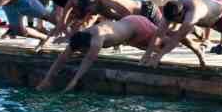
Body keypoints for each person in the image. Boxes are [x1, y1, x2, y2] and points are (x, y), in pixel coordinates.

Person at [39, 13, 204, 93]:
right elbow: (62, 58)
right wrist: (46, 79)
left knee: (166, 43)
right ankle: (184, 32)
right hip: (128, 30)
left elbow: (86, 64)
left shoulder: (97, 40)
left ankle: (189, 32)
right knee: (161, 44)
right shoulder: (81, 37)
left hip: (139, 26)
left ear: (86, 45)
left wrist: (73, 82)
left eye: (81, 50)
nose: (80, 52)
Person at [143, 0, 222, 67]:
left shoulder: (193, 13)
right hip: (209, 19)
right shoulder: (172, 9)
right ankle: (196, 36)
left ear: (182, 14)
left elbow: (176, 39)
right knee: (171, 31)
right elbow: (158, 34)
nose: (170, 22)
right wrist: (147, 55)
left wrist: (158, 57)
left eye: (174, 21)